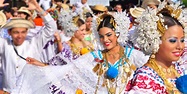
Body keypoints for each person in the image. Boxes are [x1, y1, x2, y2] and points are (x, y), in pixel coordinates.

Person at [12, 12, 149, 94]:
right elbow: (67, 70)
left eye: (109, 35)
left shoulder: (134, 56)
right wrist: (42, 66)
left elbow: (152, 71)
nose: (105, 40)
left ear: (118, 34)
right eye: (101, 36)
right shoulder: (95, 56)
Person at [126, 1, 187, 93]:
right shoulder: (146, 78)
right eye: (173, 41)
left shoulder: (179, 69)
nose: (180, 46)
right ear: (155, 40)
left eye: (182, 40)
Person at [0, 0, 57, 93]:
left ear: (27, 32)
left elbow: (51, 28)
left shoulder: (34, 43)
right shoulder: (4, 44)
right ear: (9, 32)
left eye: (23, 32)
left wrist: (38, 8)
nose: (19, 36)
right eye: (16, 32)